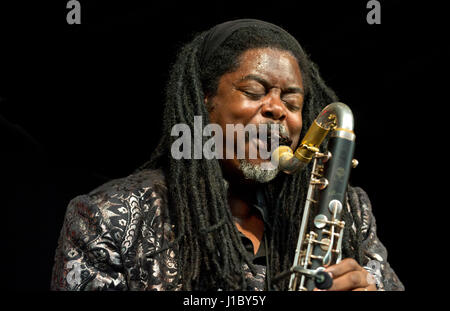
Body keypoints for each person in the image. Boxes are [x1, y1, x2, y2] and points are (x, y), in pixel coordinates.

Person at [51, 19, 404, 291]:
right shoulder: (109, 216)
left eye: (293, 103)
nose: (277, 110)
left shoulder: (349, 211)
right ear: (206, 102)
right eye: (253, 91)